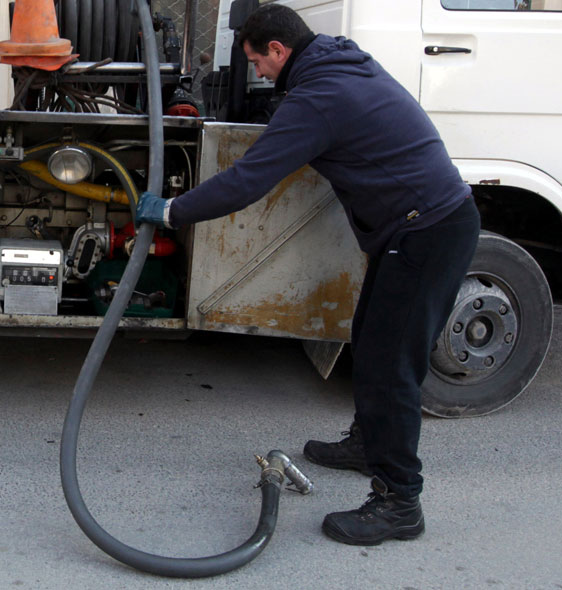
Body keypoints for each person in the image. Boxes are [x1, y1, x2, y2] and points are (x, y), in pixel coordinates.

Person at [136, 4, 480, 546]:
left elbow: (249, 180)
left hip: (428, 232)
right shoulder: (337, 63)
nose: (258, 73)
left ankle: (399, 501)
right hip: (417, 227)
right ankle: (367, 443)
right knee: (370, 343)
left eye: (258, 62)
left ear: (279, 50)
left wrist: (174, 211)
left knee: (392, 366)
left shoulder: (320, 96)